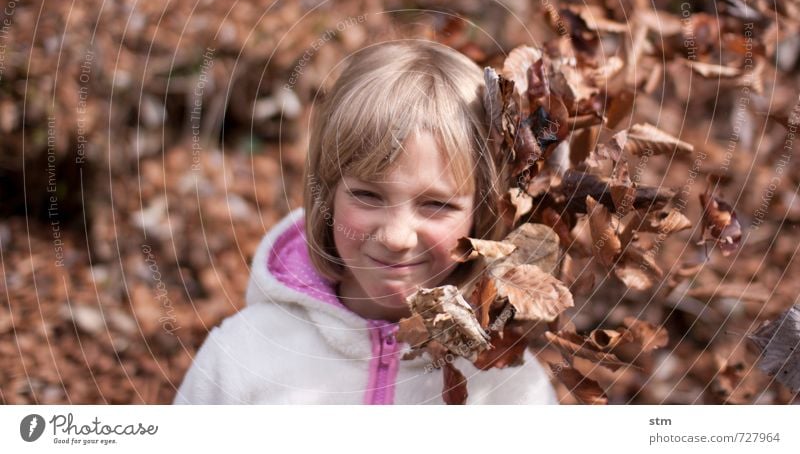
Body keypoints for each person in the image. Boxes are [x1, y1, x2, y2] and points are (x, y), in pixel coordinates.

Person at [173, 40, 559, 404]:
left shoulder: (508, 385)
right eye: (367, 195)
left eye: (436, 205)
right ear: (325, 195)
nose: (395, 237)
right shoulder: (242, 356)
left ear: (483, 214)